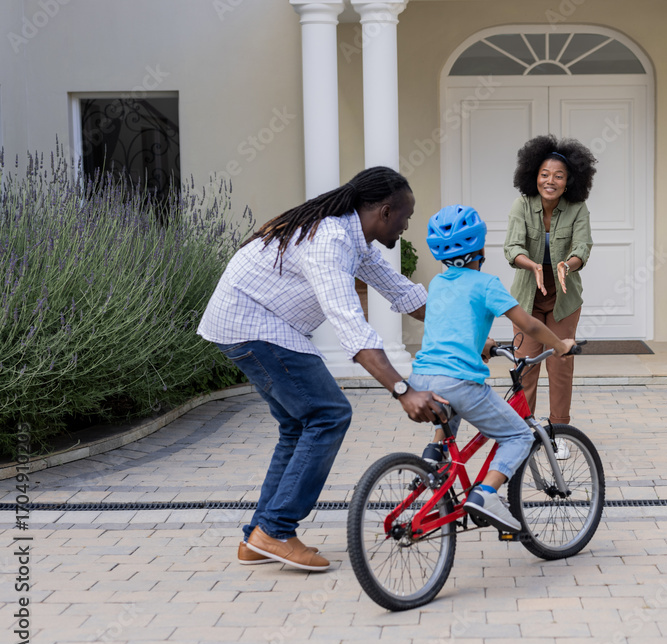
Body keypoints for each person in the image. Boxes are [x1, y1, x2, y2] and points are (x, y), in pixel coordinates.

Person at [197, 166, 447, 572]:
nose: (407, 225)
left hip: (258, 326)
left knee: (299, 425)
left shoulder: (355, 239)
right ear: (386, 211)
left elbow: (404, 294)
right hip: (253, 325)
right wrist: (403, 391)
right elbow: (351, 326)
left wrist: (469, 333)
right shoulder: (329, 240)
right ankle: (276, 531)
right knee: (328, 413)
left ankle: (259, 536)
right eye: (407, 216)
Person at [409, 204, 575, 532]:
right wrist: (559, 344)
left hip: (421, 378)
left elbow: (449, 326)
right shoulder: (487, 283)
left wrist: (483, 343)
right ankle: (486, 493)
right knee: (517, 435)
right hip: (458, 380)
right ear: (481, 248)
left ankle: (432, 459)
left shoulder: (438, 284)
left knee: (450, 409)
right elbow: (527, 323)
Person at [503, 135, 596, 426]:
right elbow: (512, 247)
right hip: (527, 298)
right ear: (534, 176)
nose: (550, 181)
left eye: (559, 176)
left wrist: (566, 266)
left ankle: (559, 431)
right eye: (544, 175)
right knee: (526, 369)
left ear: (569, 181)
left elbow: (583, 247)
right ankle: (523, 431)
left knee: (560, 366)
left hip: (563, 298)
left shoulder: (577, 208)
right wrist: (532, 265)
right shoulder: (521, 205)